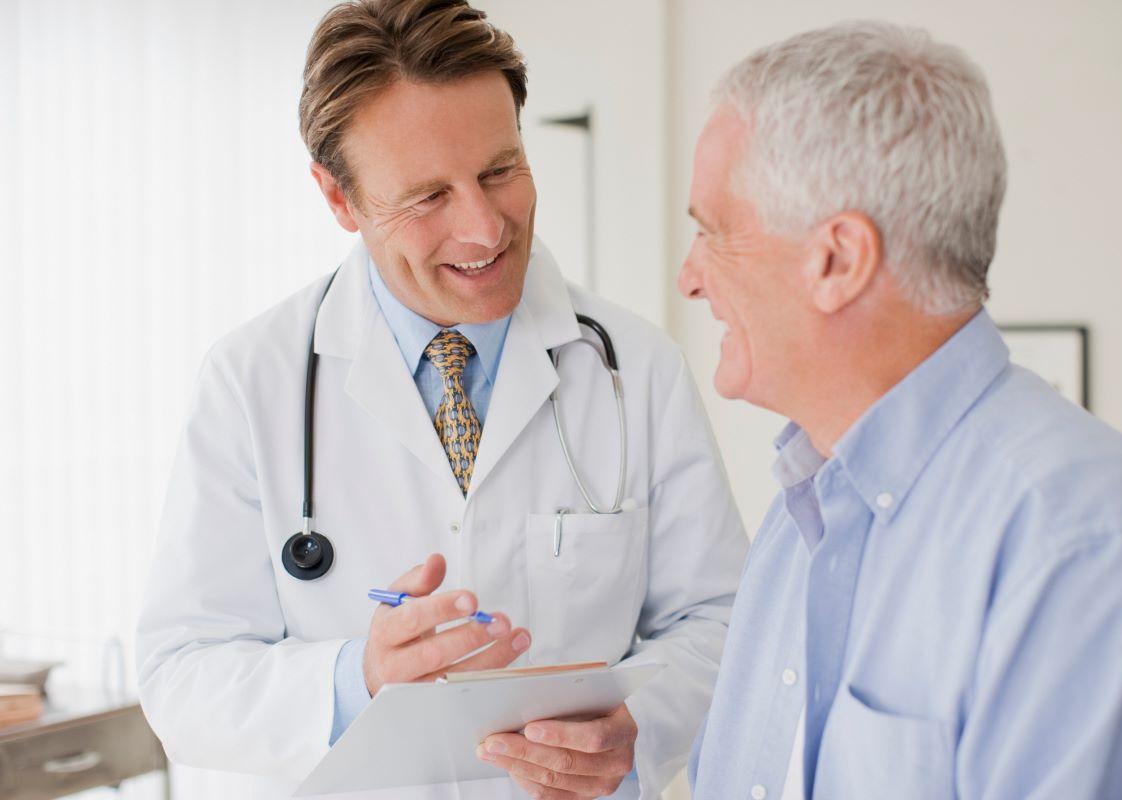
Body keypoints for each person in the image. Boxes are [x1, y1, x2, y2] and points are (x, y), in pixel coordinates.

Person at [136, 2, 748, 798]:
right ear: (338, 199)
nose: (484, 228)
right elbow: (181, 678)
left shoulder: (634, 367)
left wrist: (643, 725)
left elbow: (728, 623)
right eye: (427, 197)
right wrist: (355, 679)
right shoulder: (253, 382)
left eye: (500, 170)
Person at [680, 20, 1122, 800]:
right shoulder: (799, 520)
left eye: (713, 235)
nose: (690, 278)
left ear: (838, 261)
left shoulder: (1090, 542)